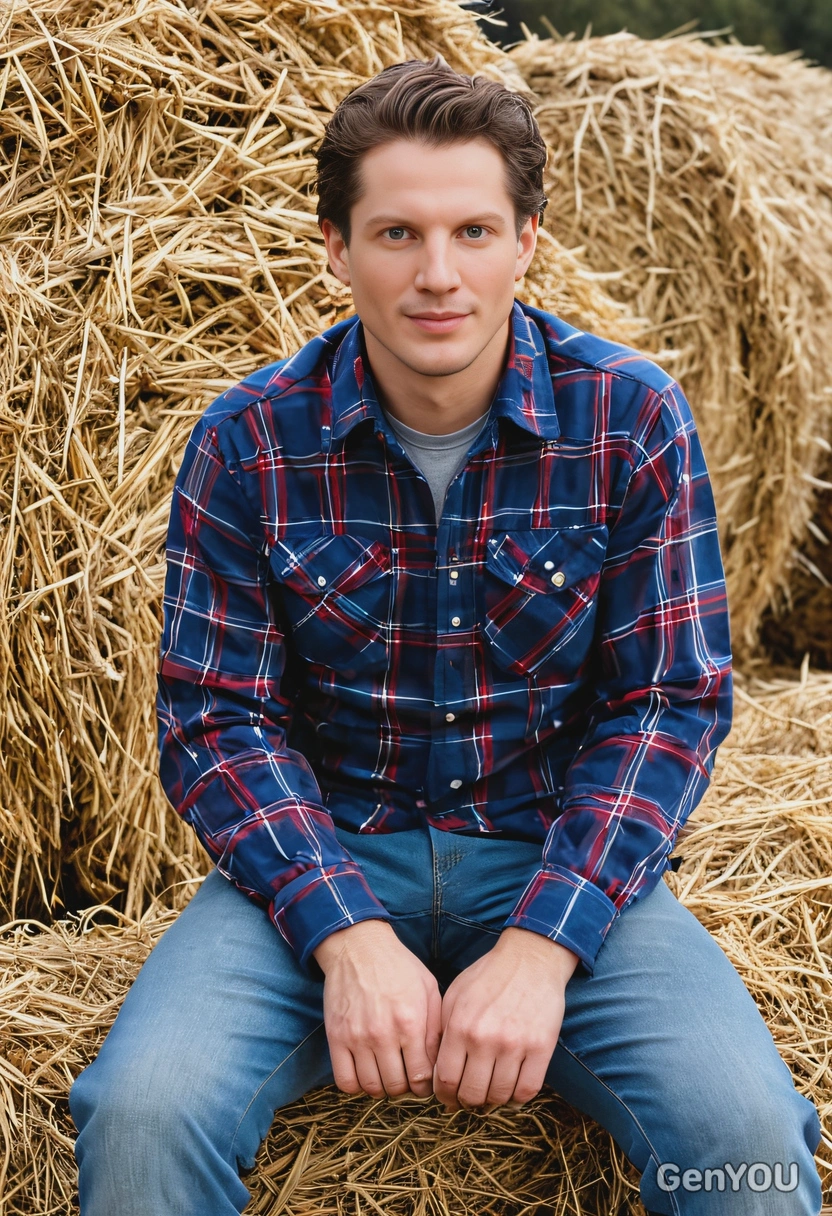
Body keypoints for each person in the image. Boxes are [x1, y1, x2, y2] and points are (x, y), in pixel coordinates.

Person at [69, 57, 823, 1216]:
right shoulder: (247, 442)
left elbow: (667, 704)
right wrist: (340, 931)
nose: (437, 275)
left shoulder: (629, 418)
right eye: (395, 233)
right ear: (335, 248)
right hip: (322, 852)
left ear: (527, 239)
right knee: (141, 1114)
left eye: (473, 230)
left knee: (748, 1135)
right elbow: (216, 717)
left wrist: (545, 945)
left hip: (551, 849)